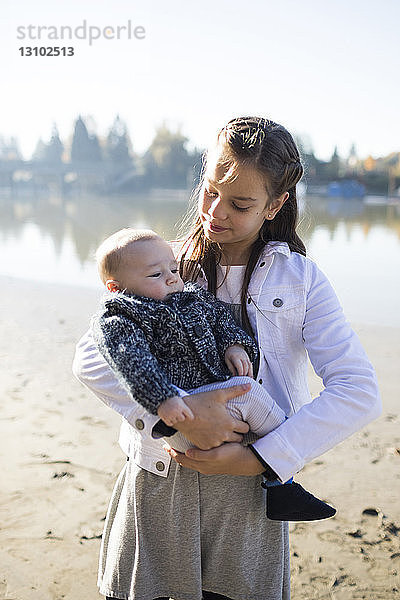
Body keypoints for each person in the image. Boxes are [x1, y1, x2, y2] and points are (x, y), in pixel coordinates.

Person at [73, 116, 381, 600]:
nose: (215, 212)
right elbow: (93, 359)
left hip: (250, 491)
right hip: (159, 479)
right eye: (211, 191)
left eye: (239, 203)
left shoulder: (301, 281)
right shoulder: (157, 265)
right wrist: (178, 421)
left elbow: (358, 391)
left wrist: (264, 457)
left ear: (275, 204)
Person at [91, 227, 336, 521]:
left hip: (212, 403)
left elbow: (220, 318)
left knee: (245, 388)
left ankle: (278, 477)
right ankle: (282, 479)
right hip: (181, 411)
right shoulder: (120, 317)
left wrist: (234, 345)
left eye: (173, 269)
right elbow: (131, 361)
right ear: (117, 288)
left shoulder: (191, 297)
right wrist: (163, 400)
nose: (171, 278)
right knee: (249, 394)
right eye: (155, 275)